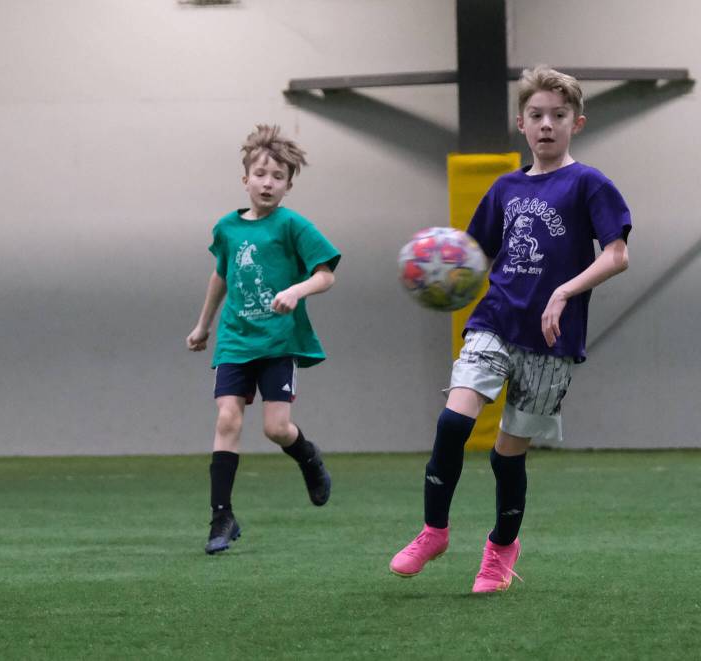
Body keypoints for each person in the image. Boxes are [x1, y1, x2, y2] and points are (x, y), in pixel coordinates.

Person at [389, 66, 631, 592]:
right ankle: (434, 531)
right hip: (494, 322)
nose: (547, 124)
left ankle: (499, 553)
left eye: (559, 116)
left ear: (577, 123)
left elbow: (618, 255)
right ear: (520, 123)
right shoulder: (504, 189)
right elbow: (472, 256)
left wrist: (564, 291)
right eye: (537, 115)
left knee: (507, 457)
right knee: (454, 422)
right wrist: (434, 265)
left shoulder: (589, 184)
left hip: (552, 341)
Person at [186, 124, 341, 555]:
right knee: (227, 420)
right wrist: (203, 326)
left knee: (276, 429)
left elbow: (325, 275)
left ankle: (308, 458)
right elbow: (222, 274)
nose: (267, 182)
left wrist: (296, 290)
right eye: (261, 173)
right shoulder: (227, 229)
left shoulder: (293, 226)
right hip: (236, 339)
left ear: (289, 185)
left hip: (277, 342)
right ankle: (222, 517)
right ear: (245, 179)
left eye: (277, 176)